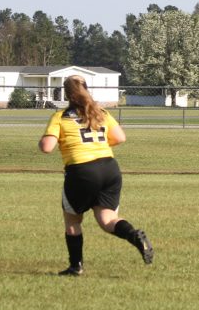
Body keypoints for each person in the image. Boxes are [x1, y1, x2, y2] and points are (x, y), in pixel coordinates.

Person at [38, 75, 153, 275]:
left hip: (82, 171)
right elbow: (120, 137)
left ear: (67, 94)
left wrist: (43, 141)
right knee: (108, 219)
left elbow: (47, 147)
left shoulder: (61, 116)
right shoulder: (101, 113)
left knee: (73, 221)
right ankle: (135, 236)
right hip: (109, 168)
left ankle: (76, 267)